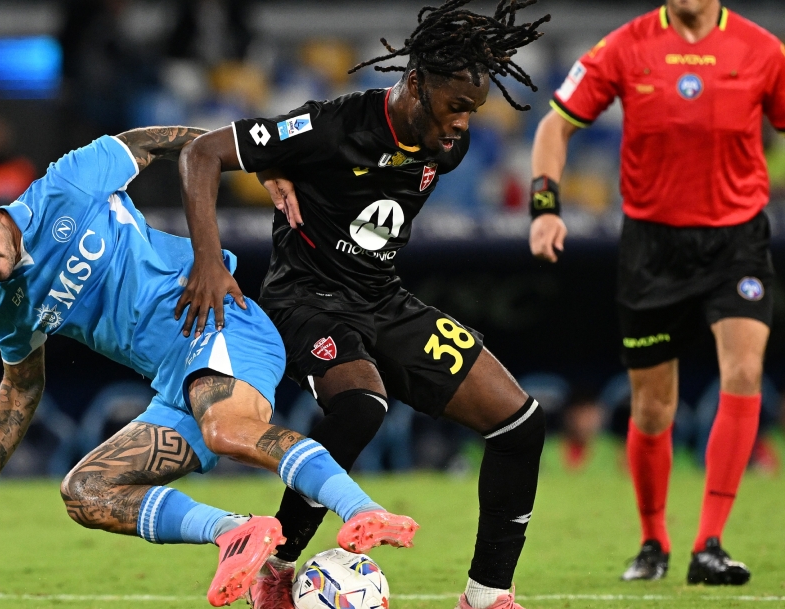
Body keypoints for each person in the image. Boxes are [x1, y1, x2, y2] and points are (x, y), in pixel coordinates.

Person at [0, 126, 419, 607]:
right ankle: (234, 533)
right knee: (85, 493)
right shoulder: (0, 301)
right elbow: (21, 386)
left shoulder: (68, 183)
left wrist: (262, 167)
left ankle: (363, 512)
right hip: (178, 385)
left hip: (222, 325)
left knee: (225, 429)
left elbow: (175, 142)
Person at [177, 2, 549, 608]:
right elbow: (202, 154)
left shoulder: (445, 146)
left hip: (381, 298)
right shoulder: (332, 125)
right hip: (306, 299)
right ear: (415, 84)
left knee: (520, 422)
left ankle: (488, 595)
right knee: (361, 406)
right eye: (455, 106)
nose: (462, 124)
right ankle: (277, 568)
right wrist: (211, 261)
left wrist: (276, 166)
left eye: (471, 110)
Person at [528, 0, 785, 586]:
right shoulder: (623, 46)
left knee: (744, 372)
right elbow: (554, 125)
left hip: (736, 240)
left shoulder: (764, 50)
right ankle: (653, 542)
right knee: (652, 406)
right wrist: (544, 207)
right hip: (651, 247)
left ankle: (710, 544)